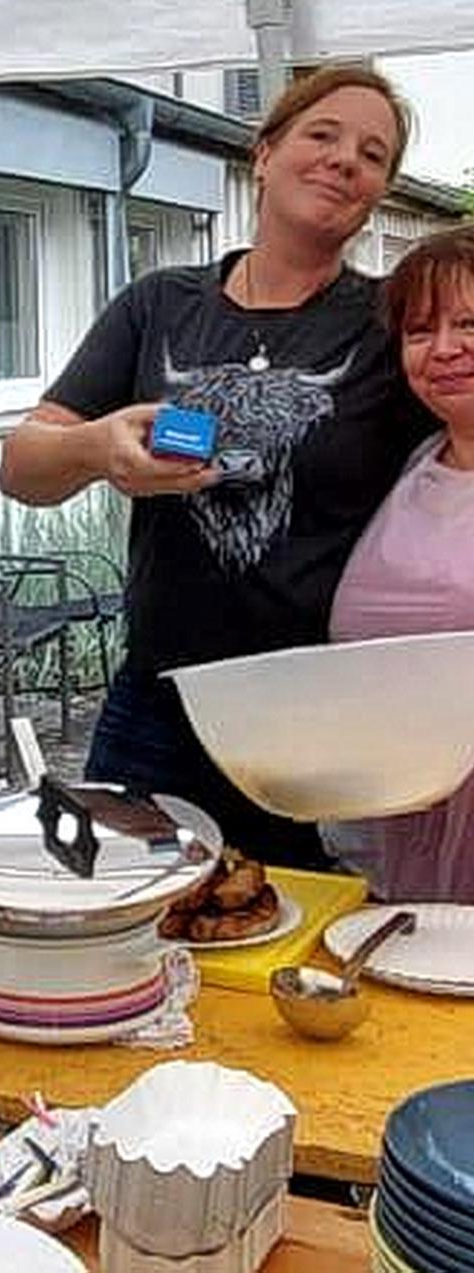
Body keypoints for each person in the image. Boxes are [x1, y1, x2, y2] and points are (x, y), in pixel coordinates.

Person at [0, 66, 435, 867]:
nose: (345, 160)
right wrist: (97, 448)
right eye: (322, 135)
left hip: (320, 715)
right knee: (121, 924)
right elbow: (22, 467)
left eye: (372, 155)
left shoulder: (390, 324)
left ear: (378, 191)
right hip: (157, 701)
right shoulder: (158, 304)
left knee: (299, 943)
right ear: (262, 154)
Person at [323, 226, 474, 900]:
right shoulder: (419, 462)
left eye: (469, 323)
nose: (443, 348)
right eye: (419, 330)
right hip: (405, 823)